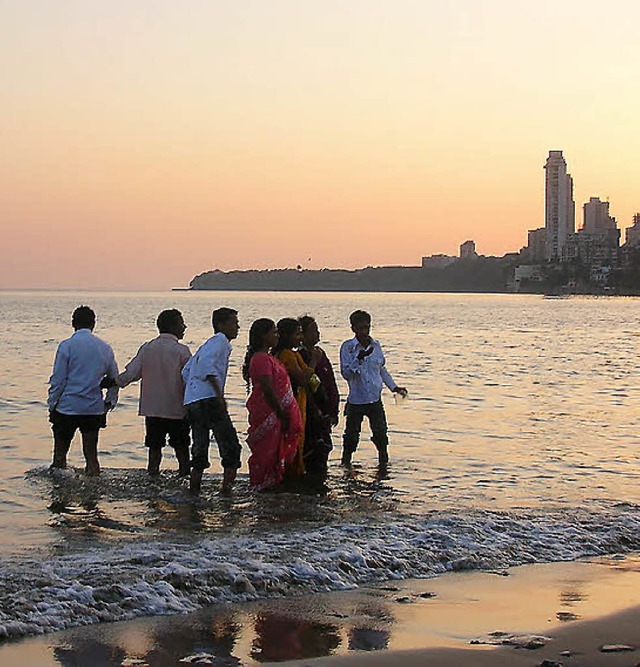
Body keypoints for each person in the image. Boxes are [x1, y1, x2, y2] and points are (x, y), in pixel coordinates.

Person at [114, 309, 192, 476]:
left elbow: (131, 374)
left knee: (154, 451)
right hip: (176, 409)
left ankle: (152, 484)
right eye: (181, 323)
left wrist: (115, 382)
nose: (184, 326)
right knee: (182, 450)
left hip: (153, 409)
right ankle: (186, 483)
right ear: (172, 326)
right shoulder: (182, 351)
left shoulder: (147, 348)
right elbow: (189, 381)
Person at [47, 305, 119, 476]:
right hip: (92, 408)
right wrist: (109, 402)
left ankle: (58, 496)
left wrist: (52, 404)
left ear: (73, 323)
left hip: (67, 407)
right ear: (93, 324)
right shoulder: (104, 347)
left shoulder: (66, 346)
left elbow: (58, 379)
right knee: (92, 458)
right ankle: (92, 500)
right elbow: (114, 379)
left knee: (59, 458)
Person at [182, 307, 241, 495]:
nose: (237, 327)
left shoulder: (206, 345)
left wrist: (193, 390)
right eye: (233, 323)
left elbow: (186, 371)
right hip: (209, 399)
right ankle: (226, 490)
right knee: (230, 445)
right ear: (220, 325)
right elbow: (207, 367)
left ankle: (195, 489)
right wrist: (219, 395)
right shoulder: (221, 342)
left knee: (200, 446)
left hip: (193, 400)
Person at [340, 310, 407, 466]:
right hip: (356, 400)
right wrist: (359, 358)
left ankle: (383, 466)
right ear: (353, 329)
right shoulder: (348, 348)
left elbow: (381, 369)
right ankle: (345, 465)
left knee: (381, 436)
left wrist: (394, 388)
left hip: (375, 399)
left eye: (367, 327)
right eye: (361, 328)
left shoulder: (376, 345)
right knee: (351, 437)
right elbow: (346, 374)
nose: (364, 332)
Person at [242, 318, 302, 491]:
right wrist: (281, 412)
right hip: (269, 414)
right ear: (263, 336)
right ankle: (261, 487)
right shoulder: (260, 359)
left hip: (277, 413)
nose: (277, 335)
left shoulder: (269, 357)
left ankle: (273, 485)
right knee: (266, 455)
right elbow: (267, 388)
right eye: (273, 332)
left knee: (276, 454)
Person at [273, 318, 321, 479]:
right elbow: (302, 379)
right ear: (286, 336)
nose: (300, 338)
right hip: (293, 401)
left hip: (295, 400)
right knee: (294, 439)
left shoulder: (286, 354)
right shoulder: (287, 355)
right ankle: (292, 474)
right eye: (297, 334)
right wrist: (314, 361)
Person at [298, 315, 339, 485]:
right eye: (313, 331)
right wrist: (317, 409)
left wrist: (334, 408)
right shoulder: (301, 356)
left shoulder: (320, 354)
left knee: (323, 449)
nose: (318, 334)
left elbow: (329, 381)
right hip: (312, 413)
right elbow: (308, 383)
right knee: (314, 451)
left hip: (325, 410)